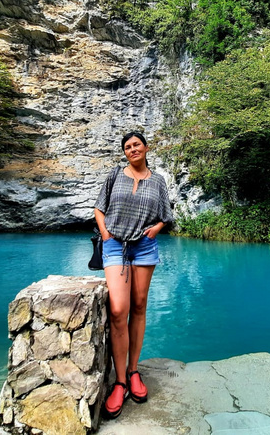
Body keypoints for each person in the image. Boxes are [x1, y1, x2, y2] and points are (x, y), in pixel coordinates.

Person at [94, 131, 173, 419]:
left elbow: (167, 214)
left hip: (145, 248)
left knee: (139, 307)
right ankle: (120, 382)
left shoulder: (158, 181)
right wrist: (105, 233)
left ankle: (133, 371)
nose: (132, 149)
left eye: (136, 144)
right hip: (115, 246)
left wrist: (155, 229)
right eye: (127, 147)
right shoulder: (115, 175)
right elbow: (99, 208)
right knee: (118, 310)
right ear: (124, 152)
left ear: (146, 147)